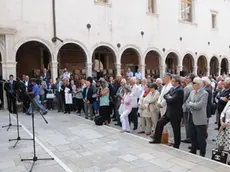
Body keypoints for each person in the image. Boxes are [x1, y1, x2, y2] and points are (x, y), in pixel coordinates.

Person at [149, 75, 184, 149]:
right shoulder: (172, 89)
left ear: (177, 82)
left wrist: (169, 97)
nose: (172, 82)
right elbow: (165, 96)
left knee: (176, 129)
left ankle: (176, 144)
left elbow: (172, 100)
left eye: (173, 81)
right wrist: (169, 97)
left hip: (175, 113)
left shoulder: (180, 90)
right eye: (172, 81)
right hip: (168, 112)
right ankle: (157, 139)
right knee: (159, 123)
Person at [185, 77, 208, 157]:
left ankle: (202, 153)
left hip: (200, 119)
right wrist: (191, 104)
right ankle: (193, 150)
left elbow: (200, 105)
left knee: (201, 137)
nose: (192, 85)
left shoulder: (204, 93)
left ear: (198, 85)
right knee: (192, 135)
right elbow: (186, 102)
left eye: (193, 83)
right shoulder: (192, 92)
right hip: (191, 116)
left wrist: (191, 104)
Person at [153, 73, 174, 146]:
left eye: (164, 77)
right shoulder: (164, 86)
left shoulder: (170, 87)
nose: (163, 79)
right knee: (163, 124)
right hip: (161, 107)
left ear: (168, 78)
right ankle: (164, 138)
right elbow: (161, 96)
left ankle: (171, 140)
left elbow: (168, 97)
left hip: (166, 107)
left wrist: (161, 104)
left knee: (168, 124)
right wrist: (159, 102)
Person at [182, 73, 195, 144]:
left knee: (187, 123)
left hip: (186, 107)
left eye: (187, 78)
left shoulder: (187, 87)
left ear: (190, 79)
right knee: (190, 123)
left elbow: (183, 98)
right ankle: (191, 136)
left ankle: (188, 137)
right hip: (191, 107)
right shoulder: (193, 86)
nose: (186, 79)